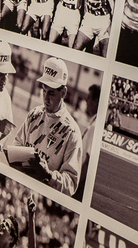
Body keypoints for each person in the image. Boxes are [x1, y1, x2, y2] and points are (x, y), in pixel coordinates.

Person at [5, 56, 83, 196]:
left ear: (63, 92)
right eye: (44, 91)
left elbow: (71, 183)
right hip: (17, 191)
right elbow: (17, 144)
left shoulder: (72, 132)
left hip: (42, 201)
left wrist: (49, 175)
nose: (46, 98)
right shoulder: (34, 114)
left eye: (52, 93)